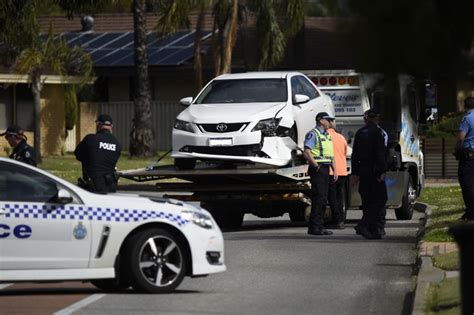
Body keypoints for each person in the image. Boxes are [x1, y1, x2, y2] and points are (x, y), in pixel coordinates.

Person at [351, 109, 388, 239]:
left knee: (367, 200)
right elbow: (380, 153)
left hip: (363, 169)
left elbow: (354, 154)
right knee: (381, 198)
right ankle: (364, 225)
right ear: (377, 118)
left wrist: (355, 172)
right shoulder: (378, 132)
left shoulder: (360, 132)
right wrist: (382, 171)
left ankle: (372, 229)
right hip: (374, 170)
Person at [303, 112, 336, 236]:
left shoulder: (327, 135)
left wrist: (334, 169)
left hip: (325, 168)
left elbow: (330, 154)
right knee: (319, 198)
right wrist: (316, 166)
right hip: (319, 169)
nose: (330, 122)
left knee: (323, 199)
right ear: (321, 121)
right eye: (328, 120)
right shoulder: (313, 134)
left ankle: (319, 226)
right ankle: (315, 227)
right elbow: (307, 152)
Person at [75, 114, 121, 193]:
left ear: (98, 124)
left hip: (92, 187)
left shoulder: (90, 139)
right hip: (111, 186)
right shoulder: (117, 143)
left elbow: (78, 155)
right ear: (111, 126)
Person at [455, 96, 474, 221]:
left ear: (465, 106)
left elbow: (460, 138)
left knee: (467, 184)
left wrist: (456, 151)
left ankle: (471, 212)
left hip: (469, 156)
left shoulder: (467, 119)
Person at [326, 119, 348, 229]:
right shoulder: (341, 137)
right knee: (340, 196)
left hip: (331, 171)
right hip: (342, 171)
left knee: (332, 198)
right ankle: (341, 220)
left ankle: (337, 220)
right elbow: (345, 152)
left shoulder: (324, 137)